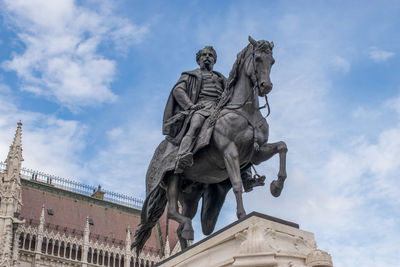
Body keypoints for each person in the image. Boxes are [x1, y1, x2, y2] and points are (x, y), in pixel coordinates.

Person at [163, 46, 226, 173]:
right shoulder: (190, 75)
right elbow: (178, 90)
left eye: (210, 55)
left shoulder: (222, 78)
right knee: (196, 125)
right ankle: (182, 156)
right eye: (204, 55)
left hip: (221, 107)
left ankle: (246, 173)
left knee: (239, 126)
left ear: (214, 60)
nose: (207, 57)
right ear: (198, 60)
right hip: (201, 106)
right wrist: (190, 105)